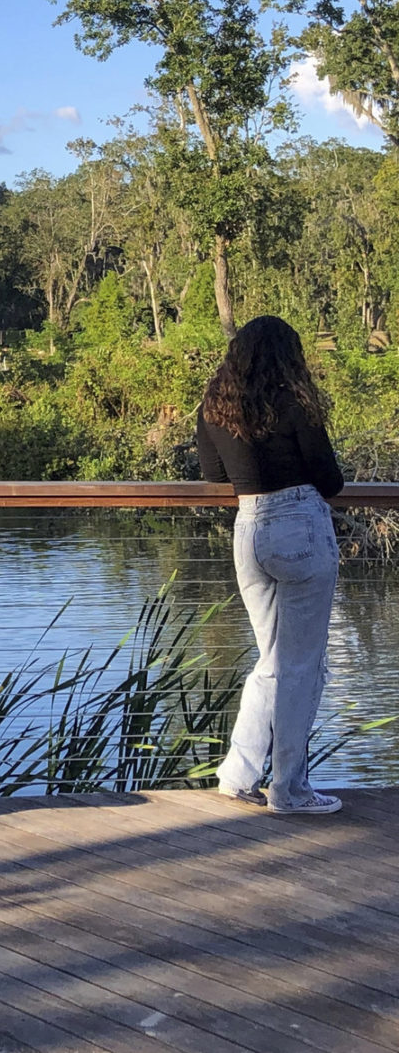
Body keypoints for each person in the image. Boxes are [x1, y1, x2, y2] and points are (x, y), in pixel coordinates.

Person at [197, 316, 346, 815]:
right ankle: (290, 790)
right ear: (290, 356)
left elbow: (214, 473)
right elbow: (330, 479)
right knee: (302, 666)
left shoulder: (215, 405)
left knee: (272, 661)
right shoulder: (294, 401)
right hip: (300, 524)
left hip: (249, 528)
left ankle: (238, 775)